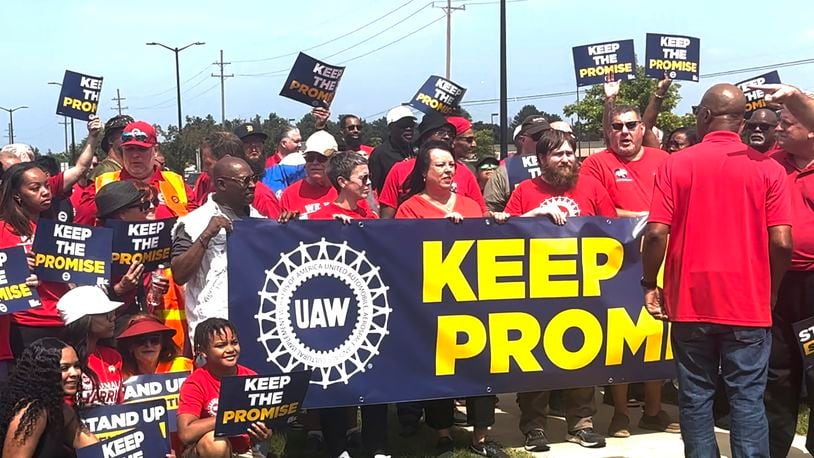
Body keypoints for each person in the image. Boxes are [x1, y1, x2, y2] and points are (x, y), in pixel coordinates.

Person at [642, 83, 792, 457]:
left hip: (690, 303)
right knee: (747, 399)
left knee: (695, 398)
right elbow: (783, 243)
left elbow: (657, 232)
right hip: (748, 304)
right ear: (742, 121)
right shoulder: (769, 169)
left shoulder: (676, 164)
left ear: (705, 116)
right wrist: (771, 289)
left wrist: (649, 282)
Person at [497, 129, 612, 452]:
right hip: (535, 291)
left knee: (583, 356)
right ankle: (534, 426)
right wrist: (533, 215)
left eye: (569, 153)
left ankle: (582, 424)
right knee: (534, 360)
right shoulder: (524, 190)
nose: (566, 159)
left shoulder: (592, 187)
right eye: (558, 154)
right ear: (542, 159)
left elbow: (613, 229)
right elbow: (506, 233)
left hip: (584, 287)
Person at [394, 141, 506, 457]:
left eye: (451, 164)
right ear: (424, 172)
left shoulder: (472, 204)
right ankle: (442, 433)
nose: (448, 170)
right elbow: (401, 251)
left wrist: (493, 223)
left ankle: (481, 437)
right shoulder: (410, 209)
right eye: (440, 165)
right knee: (439, 367)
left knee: (481, 365)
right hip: (431, 302)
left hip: (474, 301)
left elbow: (489, 245)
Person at [579, 104, 675, 437]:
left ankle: (654, 410)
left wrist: (651, 222)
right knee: (618, 338)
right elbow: (593, 208)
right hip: (616, 262)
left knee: (658, 335)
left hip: (661, 258)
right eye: (617, 126)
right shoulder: (595, 163)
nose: (624, 132)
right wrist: (643, 217)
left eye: (631, 125)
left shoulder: (663, 160)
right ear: (608, 131)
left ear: (642, 129)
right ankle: (619, 412)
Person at [310, 152, 386, 457]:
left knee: (378, 376)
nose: (368, 183)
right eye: (363, 178)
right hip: (333, 314)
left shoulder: (371, 218)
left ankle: (377, 445)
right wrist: (332, 230)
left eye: (369, 177)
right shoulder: (321, 217)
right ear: (342, 182)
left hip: (370, 310)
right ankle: (337, 446)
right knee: (335, 382)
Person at [764, 101, 814, 456]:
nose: (778, 129)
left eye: (787, 123)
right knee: (778, 370)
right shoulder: (770, 164)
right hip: (777, 281)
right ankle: (772, 447)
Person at [171, 157, 262, 341]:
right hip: (213, 331)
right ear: (221, 184)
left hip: (255, 325)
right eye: (245, 180)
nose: (252, 185)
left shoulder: (261, 220)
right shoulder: (193, 223)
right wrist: (206, 235)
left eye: (254, 178)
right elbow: (179, 274)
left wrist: (285, 228)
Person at [1, 163, 71, 358]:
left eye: (47, 186)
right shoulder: (3, 230)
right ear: (17, 195)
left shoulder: (58, 230)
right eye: (35, 188)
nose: (45, 192)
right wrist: (17, 269)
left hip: (62, 321)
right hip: (23, 325)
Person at [177, 317, 271, 458]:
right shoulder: (195, 382)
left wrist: (265, 433)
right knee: (215, 443)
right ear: (202, 351)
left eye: (234, 343)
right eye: (221, 345)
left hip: (245, 450)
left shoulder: (251, 377)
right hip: (205, 451)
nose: (230, 349)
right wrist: (228, 416)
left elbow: (267, 426)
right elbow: (186, 433)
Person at [0, 338, 99, 456]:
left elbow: (94, 448)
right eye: (64, 368)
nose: (75, 373)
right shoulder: (32, 412)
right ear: (44, 372)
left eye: (76, 366)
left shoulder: (63, 410)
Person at [378, 115, 485, 218]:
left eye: (450, 134)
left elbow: (482, 215)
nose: (447, 136)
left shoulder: (465, 173)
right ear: (424, 137)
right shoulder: (400, 170)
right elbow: (387, 220)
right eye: (440, 132)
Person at [95, 181, 169, 330]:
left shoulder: (146, 242)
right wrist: (120, 288)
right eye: (142, 207)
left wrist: (156, 289)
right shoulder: (95, 247)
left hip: (142, 322)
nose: (146, 210)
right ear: (122, 214)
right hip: (112, 329)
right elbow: (91, 301)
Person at [93, 120, 194, 219]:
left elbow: (196, 223)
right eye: (129, 149)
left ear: (155, 150)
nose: (135, 155)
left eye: (142, 149)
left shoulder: (176, 182)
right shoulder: (102, 184)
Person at [57, 286, 126, 407]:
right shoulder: (60, 360)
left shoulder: (113, 357)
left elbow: (120, 403)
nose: (112, 318)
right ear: (85, 320)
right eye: (105, 314)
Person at [482, 115, 551, 212]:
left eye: (548, 135)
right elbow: (490, 210)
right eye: (538, 136)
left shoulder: (563, 163)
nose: (545, 140)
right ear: (522, 140)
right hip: (519, 225)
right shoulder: (506, 170)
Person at [280, 131, 340, 217]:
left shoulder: (347, 190)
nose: (315, 163)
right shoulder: (290, 194)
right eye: (310, 158)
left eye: (321, 158)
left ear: (334, 159)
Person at [117, 314, 193, 378]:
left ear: (162, 344)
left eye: (154, 340)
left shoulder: (182, 366)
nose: (148, 345)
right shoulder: (120, 375)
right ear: (130, 346)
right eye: (141, 341)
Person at [369, 106, 417, 194]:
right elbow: (372, 189)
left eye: (411, 125)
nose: (409, 128)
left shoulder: (416, 150)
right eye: (403, 125)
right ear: (391, 128)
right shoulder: (380, 154)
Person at [261, 126, 306, 198]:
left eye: (300, 141)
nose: (300, 145)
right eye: (296, 141)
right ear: (284, 143)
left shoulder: (305, 163)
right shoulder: (268, 166)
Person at [92, 114, 135, 178]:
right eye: (124, 133)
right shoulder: (105, 171)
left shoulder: (126, 169)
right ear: (110, 140)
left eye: (132, 133)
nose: (130, 137)